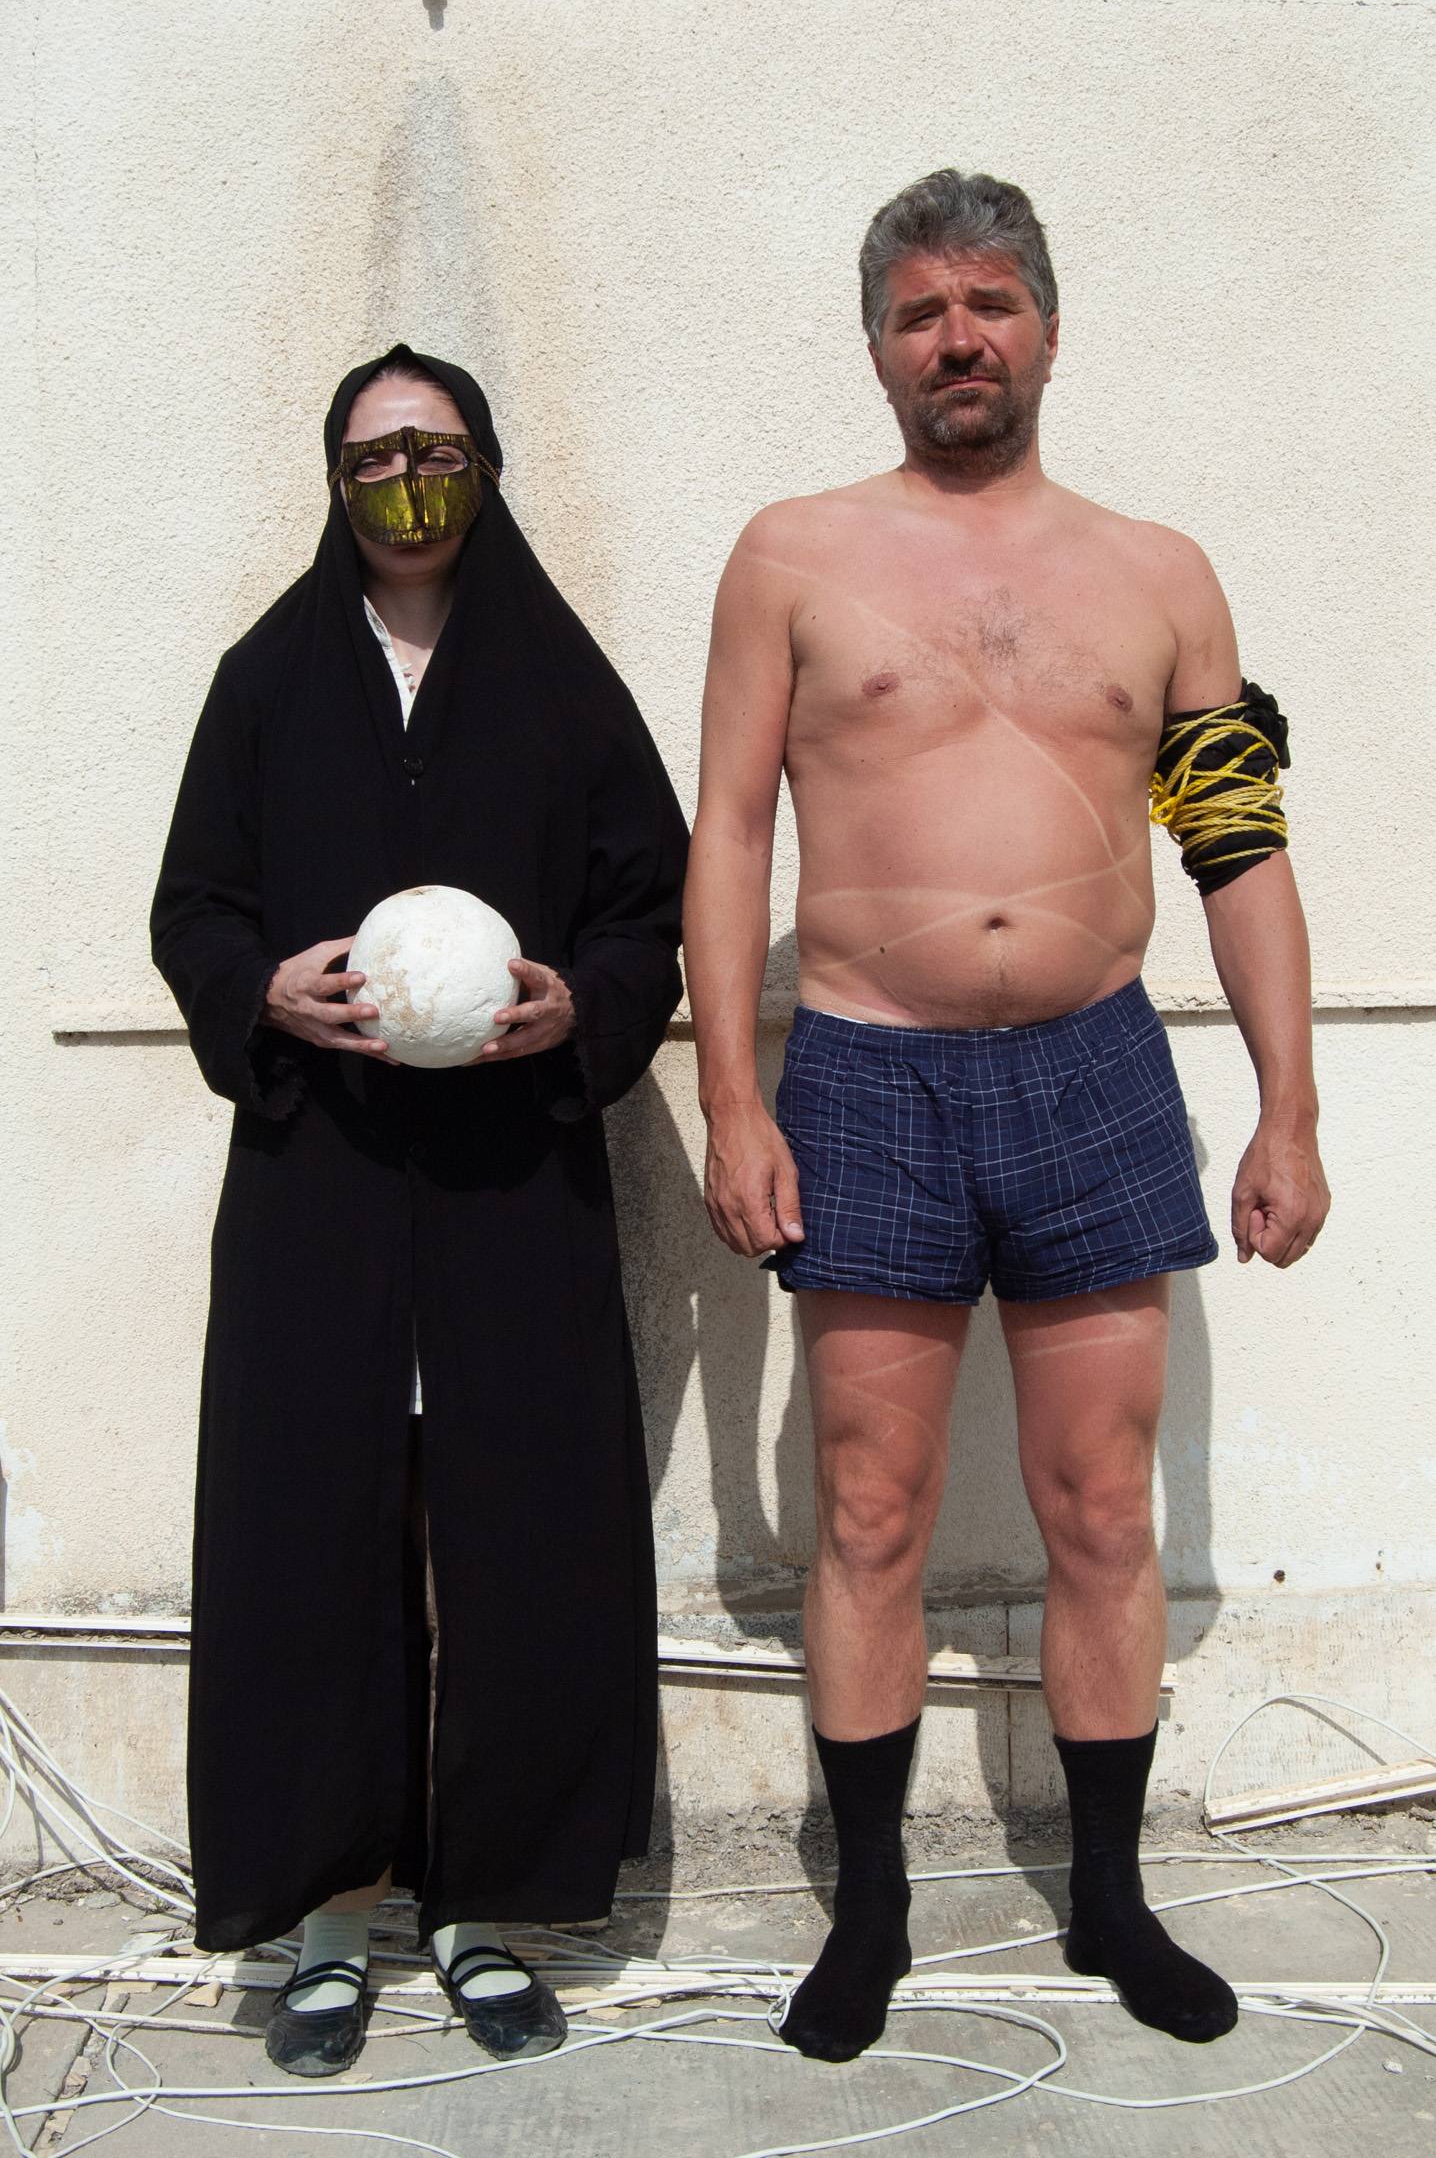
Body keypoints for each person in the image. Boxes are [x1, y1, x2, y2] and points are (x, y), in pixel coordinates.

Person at [683, 170, 1329, 2065]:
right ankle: (870, 1910)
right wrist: (733, 1097)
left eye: (988, 305)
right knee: (869, 1510)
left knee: (1100, 1508)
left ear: (1047, 326)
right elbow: (729, 834)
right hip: (866, 1072)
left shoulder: (1164, 575)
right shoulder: (790, 556)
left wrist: (1290, 1107)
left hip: (1096, 1067)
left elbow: (1236, 842)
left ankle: (1110, 1898)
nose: (956, 338)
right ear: (877, 346)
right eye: (918, 312)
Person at [152, 344, 687, 2076]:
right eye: (375, 453)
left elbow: (647, 905)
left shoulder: (558, 681)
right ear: (335, 477)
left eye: (435, 446)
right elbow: (193, 903)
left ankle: (486, 1909)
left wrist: (582, 1009)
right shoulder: (264, 681)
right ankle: (328, 1915)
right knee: (315, 1535)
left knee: (517, 1537)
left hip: (510, 1184)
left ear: (486, 464)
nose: (407, 479)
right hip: (318, 1188)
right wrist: (259, 992)